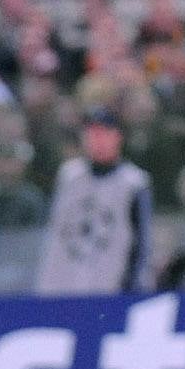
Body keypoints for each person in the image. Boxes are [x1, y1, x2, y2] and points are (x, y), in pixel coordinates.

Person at [36, 108, 153, 295]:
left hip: (110, 288)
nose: (97, 140)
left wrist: (133, 288)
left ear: (118, 137)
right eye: (92, 134)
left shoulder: (133, 183)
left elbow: (141, 243)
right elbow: (55, 232)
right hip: (62, 287)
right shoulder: (69, 176)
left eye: (104, 134)